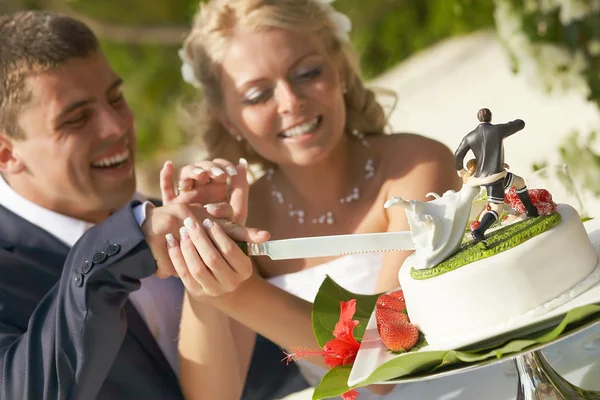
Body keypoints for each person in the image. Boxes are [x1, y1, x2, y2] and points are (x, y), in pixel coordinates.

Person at [167, 0, 461, 397]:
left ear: (338, 68)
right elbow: (212, 395)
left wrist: (239, 291)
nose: (290, 101)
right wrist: (202, 259)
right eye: (257, 95)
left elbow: (388, 362)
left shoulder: (416, 167)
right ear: (228, 118)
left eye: (307, 72)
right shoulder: (246, 215)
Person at [0, 10, 288, 400]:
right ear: (6, 154)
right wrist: (124, 247)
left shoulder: (183, 219)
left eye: (115, 98)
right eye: (77, 118)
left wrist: (212, 258)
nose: (115, 126)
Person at [454, 108, 538, 244]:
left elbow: (458, 154)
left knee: (520, 182)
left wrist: (460, 170)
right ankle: (479, 231)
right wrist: (519, 122)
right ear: (490, 117)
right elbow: (519, 124)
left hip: (496, 174)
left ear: (479, 118)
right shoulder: (498, 130)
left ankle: (531, 210)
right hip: (494, 177)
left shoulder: (470, 136)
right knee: (496, 208)